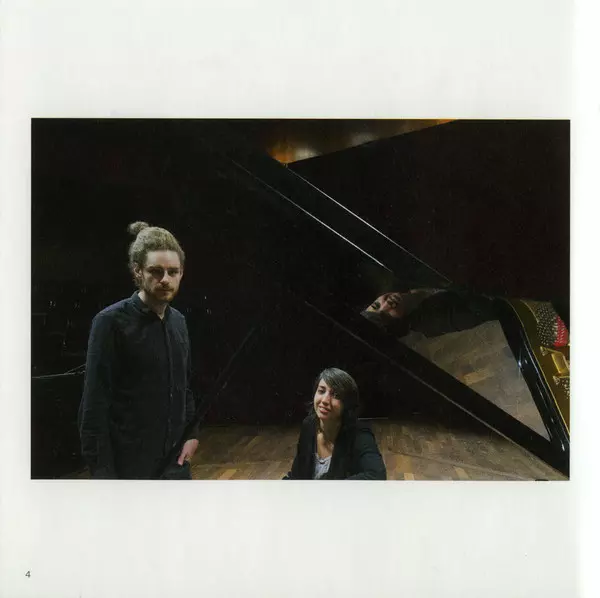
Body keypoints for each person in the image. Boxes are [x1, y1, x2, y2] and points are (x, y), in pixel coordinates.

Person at [78, 221, 199, 479]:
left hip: (175, 467)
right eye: (156, 271)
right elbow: (93, 407)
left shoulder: (179, 322)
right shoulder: (110, 322)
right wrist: (104, 477)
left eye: (173, 272)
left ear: (181, 274)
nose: (165, 279)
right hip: (130, 470)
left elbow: (184, 388)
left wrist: (192, 435)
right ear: (138, 271)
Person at [284, 368, 386, 480]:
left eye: (336, 395)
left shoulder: (360, 434)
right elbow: (297, 474)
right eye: (321, 391)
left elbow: (377, 475)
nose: (325, 400)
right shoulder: (309, 425)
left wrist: (326, 487)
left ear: (347, 404)